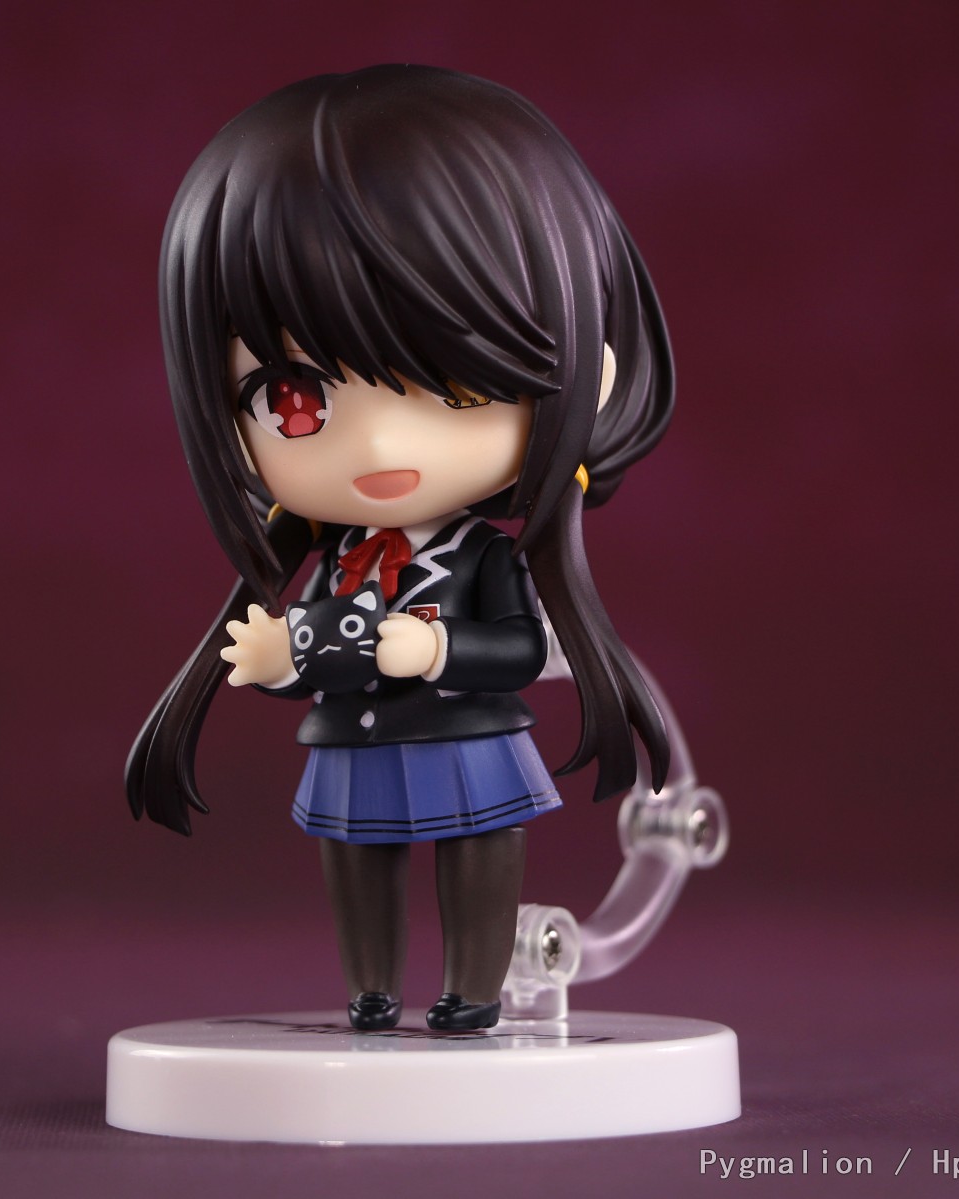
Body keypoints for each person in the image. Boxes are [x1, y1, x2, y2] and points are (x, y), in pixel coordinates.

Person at [127, 65, 674, 1032]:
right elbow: (315, 647)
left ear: (584, 376)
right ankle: (371, 990)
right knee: (356, 855)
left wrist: (437, 649)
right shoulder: (335, 561)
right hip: (354, 739)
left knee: (478, 850)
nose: (378, 443)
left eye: (451, 385)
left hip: (467, 736)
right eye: (294, 397)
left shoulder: (482, 557)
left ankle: (473, 991)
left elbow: (520, 646)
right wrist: (278, 660)